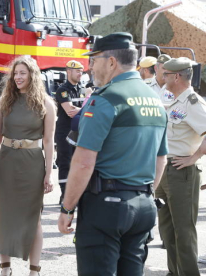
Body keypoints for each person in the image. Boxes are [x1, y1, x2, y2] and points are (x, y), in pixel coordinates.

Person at [57, 32, 168, 275]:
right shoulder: (155, 100)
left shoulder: (106, 100)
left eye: (94, 60)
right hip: (143, 205)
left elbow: (84, 162)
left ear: (111, 62)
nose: (90, 67)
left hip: (107, 207)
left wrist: (67, 208)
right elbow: (160, 159)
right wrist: (145, 192)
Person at [0, 56, 55, 276]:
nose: (18, 77)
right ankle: (5, 269)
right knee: (5, 218)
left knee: (34, 219)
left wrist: (49, 174)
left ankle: (34, 271)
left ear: (32, 75)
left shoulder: (46, 103)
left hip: (32, 164)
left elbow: (49, 141)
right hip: (6, 164)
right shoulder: (4, 101)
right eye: (15, 73)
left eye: (23, 73)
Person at [155, 57, 206, 276]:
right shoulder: (177, 102)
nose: (163, 77)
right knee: (167, 230)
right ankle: (174, 272)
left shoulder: (193, 102)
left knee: (183, 231)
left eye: (166, 74)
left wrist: (193, 158)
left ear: (176, 76)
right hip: (167, 170)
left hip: (181, 172)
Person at [54, 60, 85, 204]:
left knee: (78, 164)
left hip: (78, 132)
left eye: (82, 71)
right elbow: (70, 111)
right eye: (78, 71)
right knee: (65, 163)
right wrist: (87, 109)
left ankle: (75, 195)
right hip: (65, 133)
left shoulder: (81, 88)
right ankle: (64, 195)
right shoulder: (63, 90)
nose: (80, 74)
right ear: (69, 71)